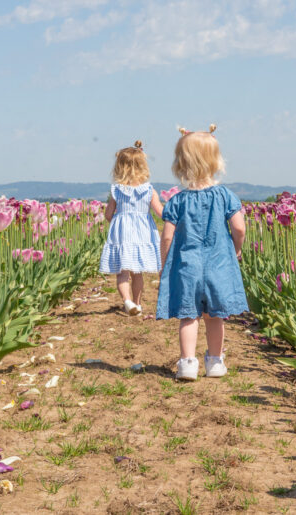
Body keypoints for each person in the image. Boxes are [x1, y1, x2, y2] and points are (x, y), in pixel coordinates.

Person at [157, 125, 248, 381]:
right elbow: (239, 227)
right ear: (216, 161)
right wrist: (236, 248)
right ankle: (215, 362)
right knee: (215, 316)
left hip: (187, 265)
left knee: (189, 315)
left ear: (181, 164)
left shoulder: (177, 200)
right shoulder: (225, 196)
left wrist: (165, 263)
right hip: (219, 263)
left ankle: (187, 364)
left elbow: (166, 236)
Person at [99, 140, 163, 315]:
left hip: (122, 233)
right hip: (143, 234)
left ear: (119, 167)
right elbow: (161, 213)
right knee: (138, 272)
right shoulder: (149, 190)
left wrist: (117, 221)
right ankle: (137, 303)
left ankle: (127, 302)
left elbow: (108, 215)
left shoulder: (117, 190)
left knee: (122, 272)